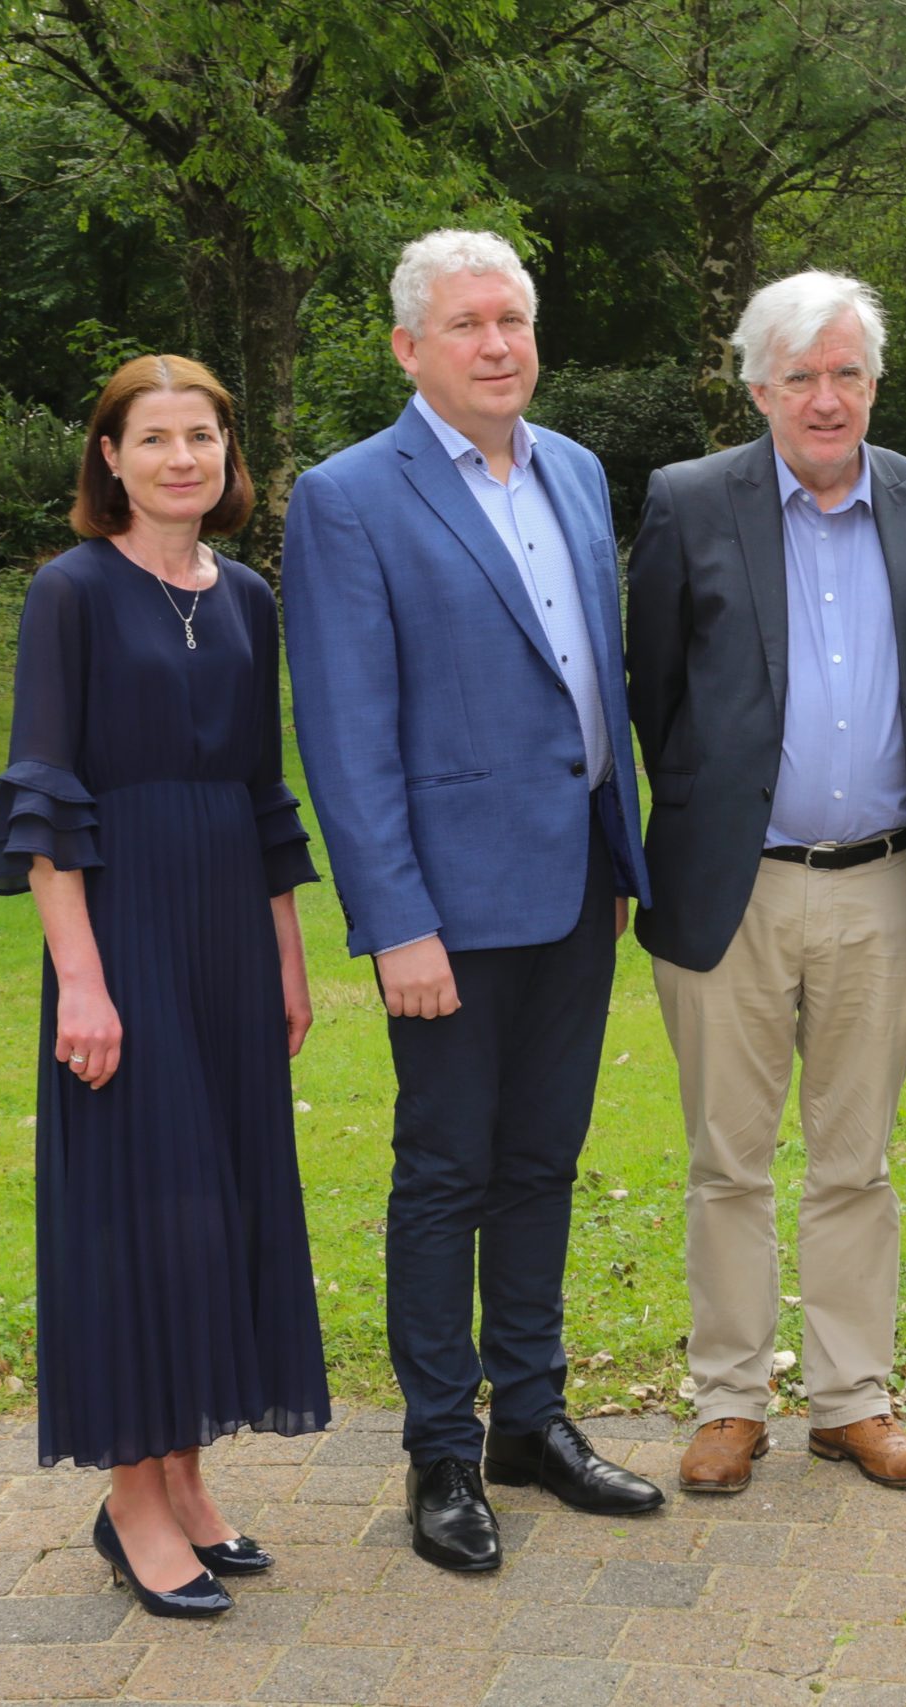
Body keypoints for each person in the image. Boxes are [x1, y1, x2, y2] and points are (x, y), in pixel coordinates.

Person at [281, 230, 660, 1573]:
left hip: (577, 886)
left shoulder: (573, 466)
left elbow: (589, 681)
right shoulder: (347, 496)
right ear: (408, 348)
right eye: (467, 324)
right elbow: (345, 729)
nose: (499, 344)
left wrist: (616, 851)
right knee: (446, 1172)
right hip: (446, 908)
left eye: (514, 319)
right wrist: (396, 921)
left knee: (544, 1161)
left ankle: (532, 1418)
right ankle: (444, 1449)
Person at [0, 355, 329, 1618]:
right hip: (123, 927)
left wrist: (285, 956)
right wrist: (82, 984)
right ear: (107, 458)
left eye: (203, 436)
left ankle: (186, 1473)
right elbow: (44, 805)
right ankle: (130, 1499)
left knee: (218, 1196)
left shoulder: (248, 598)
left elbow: (264, 792)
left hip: (231, 926)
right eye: (154, 437)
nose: (183, 458)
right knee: (138, 1203)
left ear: (230, 456)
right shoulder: (67, 593)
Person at [626, 271, 906, 1495]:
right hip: (734, 887)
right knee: (727, 1160)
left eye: (847, 374)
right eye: (800, 376)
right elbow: (651, 693)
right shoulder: (689, 502)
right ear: (758, 386)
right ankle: (728, 1403)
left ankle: (850, 1402)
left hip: (885, 883)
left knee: (854, 1162)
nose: (825, 399)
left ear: (874, 384)